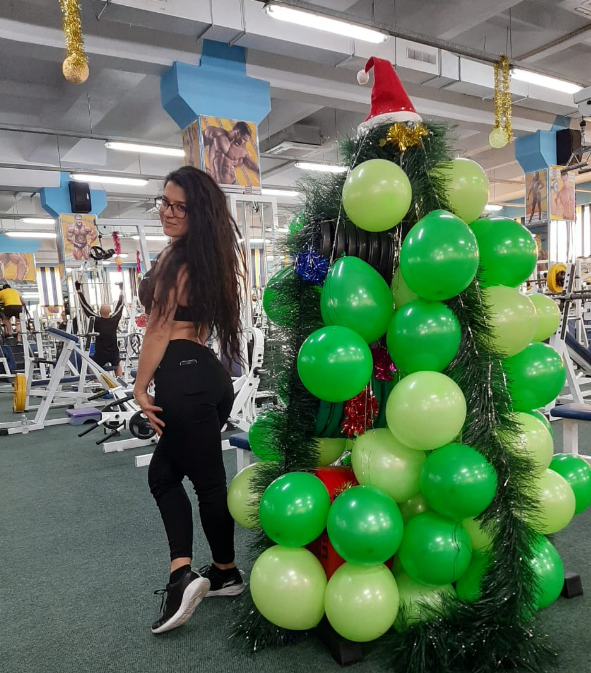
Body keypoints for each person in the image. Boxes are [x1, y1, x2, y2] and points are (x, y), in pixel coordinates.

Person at [134, 165, 245, 635]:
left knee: (186, 481)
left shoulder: (176, 259)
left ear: (197, 212)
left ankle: (182, 575)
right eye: (165, 202)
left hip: (182, 378)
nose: (168, 212)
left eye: (180, 206)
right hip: (209, 376)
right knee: (183, 476)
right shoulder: (207, 256)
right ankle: (224, 573)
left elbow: (159, 329)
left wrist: (140, 387)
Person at [76, 281, 124, 377]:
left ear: (99, 312)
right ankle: (120, 380)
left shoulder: (96, 320)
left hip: (101, 354)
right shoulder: (114, 319)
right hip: (113, 353)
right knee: (117, 364)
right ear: (110, 311)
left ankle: (97, 382)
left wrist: (78, 290)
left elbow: (85, 307)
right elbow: (120, 305)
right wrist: (121, 290)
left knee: (92, 365)